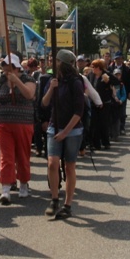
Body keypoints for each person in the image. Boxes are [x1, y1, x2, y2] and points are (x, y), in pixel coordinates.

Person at [41, 50, 84, 219]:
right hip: (54, 126)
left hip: (72, 129)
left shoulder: (76, 82)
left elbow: (78, 111)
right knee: (52, 163)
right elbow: (44, 103)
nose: (52, 62)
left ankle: (68, 204)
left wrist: (65, 132)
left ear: (62, 63)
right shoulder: (53, 80)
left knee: (69, 166)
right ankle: (54, 199)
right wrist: (51, 88)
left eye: (55, 60)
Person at [0, 53, 36, 205]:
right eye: (4, 69)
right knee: (6, 156)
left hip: (23, 122)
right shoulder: (2, 80)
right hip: (4, 122)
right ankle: (5, 189)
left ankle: (23, 184)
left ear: (17, 68)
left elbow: (30, 94)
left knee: (23, 156)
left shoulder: (28, 79)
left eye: (9, 68)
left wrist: (16, 81)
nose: (6, 71)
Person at [111, 51, 130, 135]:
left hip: (123, 92)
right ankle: (113, 129)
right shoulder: (111, 68)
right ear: (114, 59)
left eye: (120, 58)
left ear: (122, 59)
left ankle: (122, 127)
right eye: (117, 59)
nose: (118, 60)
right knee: (113, 112)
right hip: (112, 93)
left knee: (122, 111)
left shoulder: (127, 69)